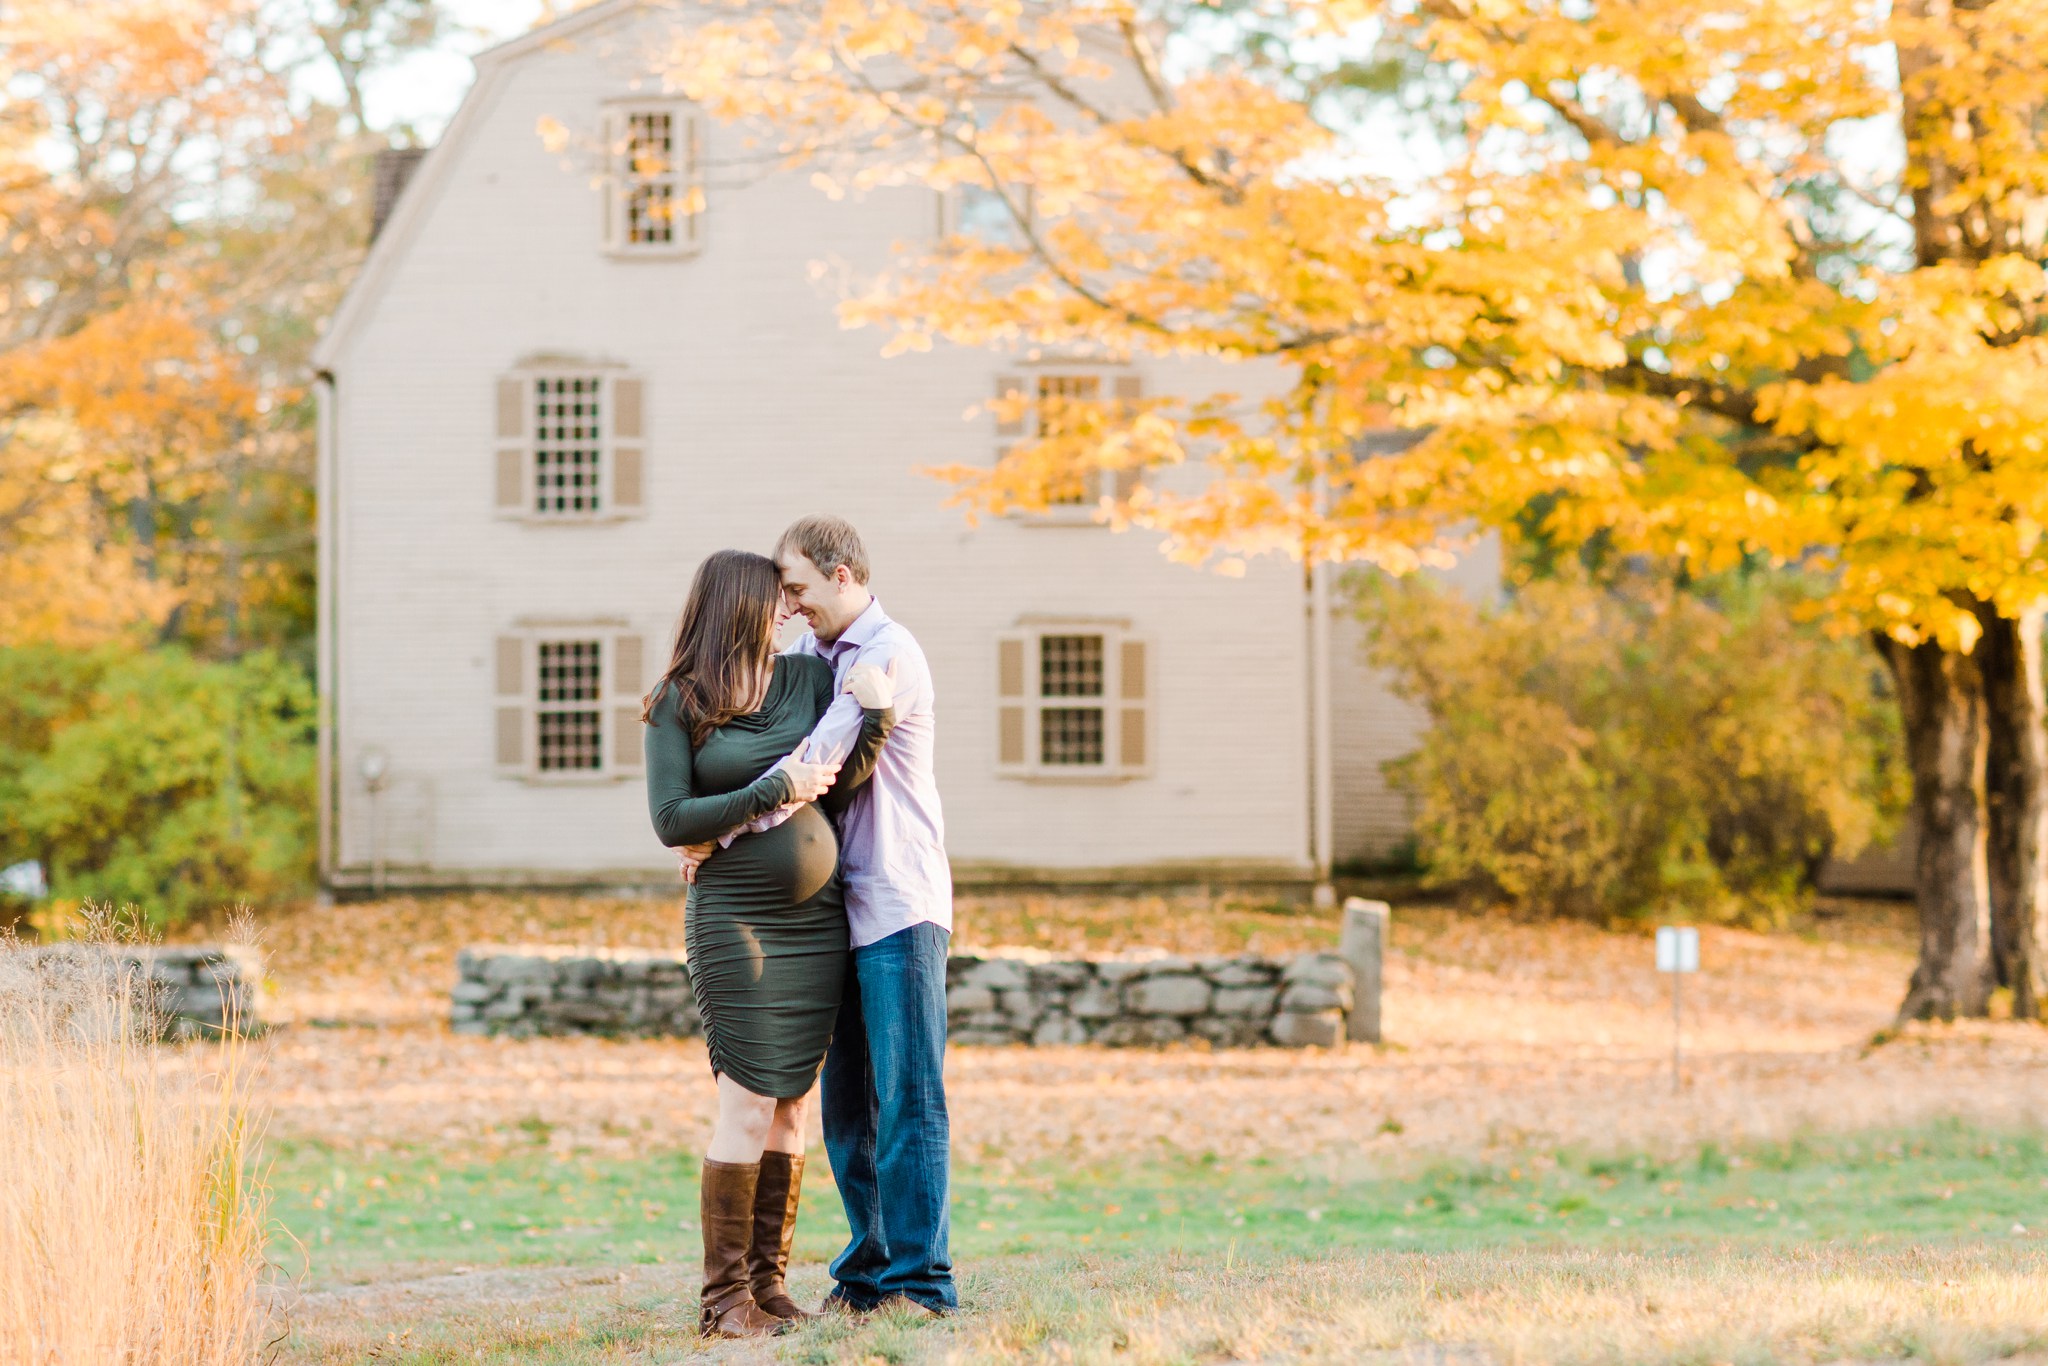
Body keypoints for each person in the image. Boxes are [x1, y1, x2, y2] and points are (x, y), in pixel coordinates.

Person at [677, 516, 957, 1316]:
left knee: (907, 1098)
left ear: (842, 575)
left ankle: (920, 1282)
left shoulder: (887, 654)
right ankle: (866, 1273)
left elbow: (816, 768)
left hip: (898, 901)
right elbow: (762, 742)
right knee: (844, 1109)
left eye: (796, 587)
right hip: (833, 913)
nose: (789, 605)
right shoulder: (810, 661)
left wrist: (712, 830)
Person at [642, 548, 899, 1338]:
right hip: (737, 920)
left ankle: (768, 1289)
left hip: (814, 922)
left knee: (791, 1105)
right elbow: (671, 821)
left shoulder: (807, 681)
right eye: (775, 599)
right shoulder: (677, 704)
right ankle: (723, 1304)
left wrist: (878, 717)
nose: (789, 610)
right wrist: (764, 793)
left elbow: (838, 780)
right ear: (737, 607)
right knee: (748, 1101)